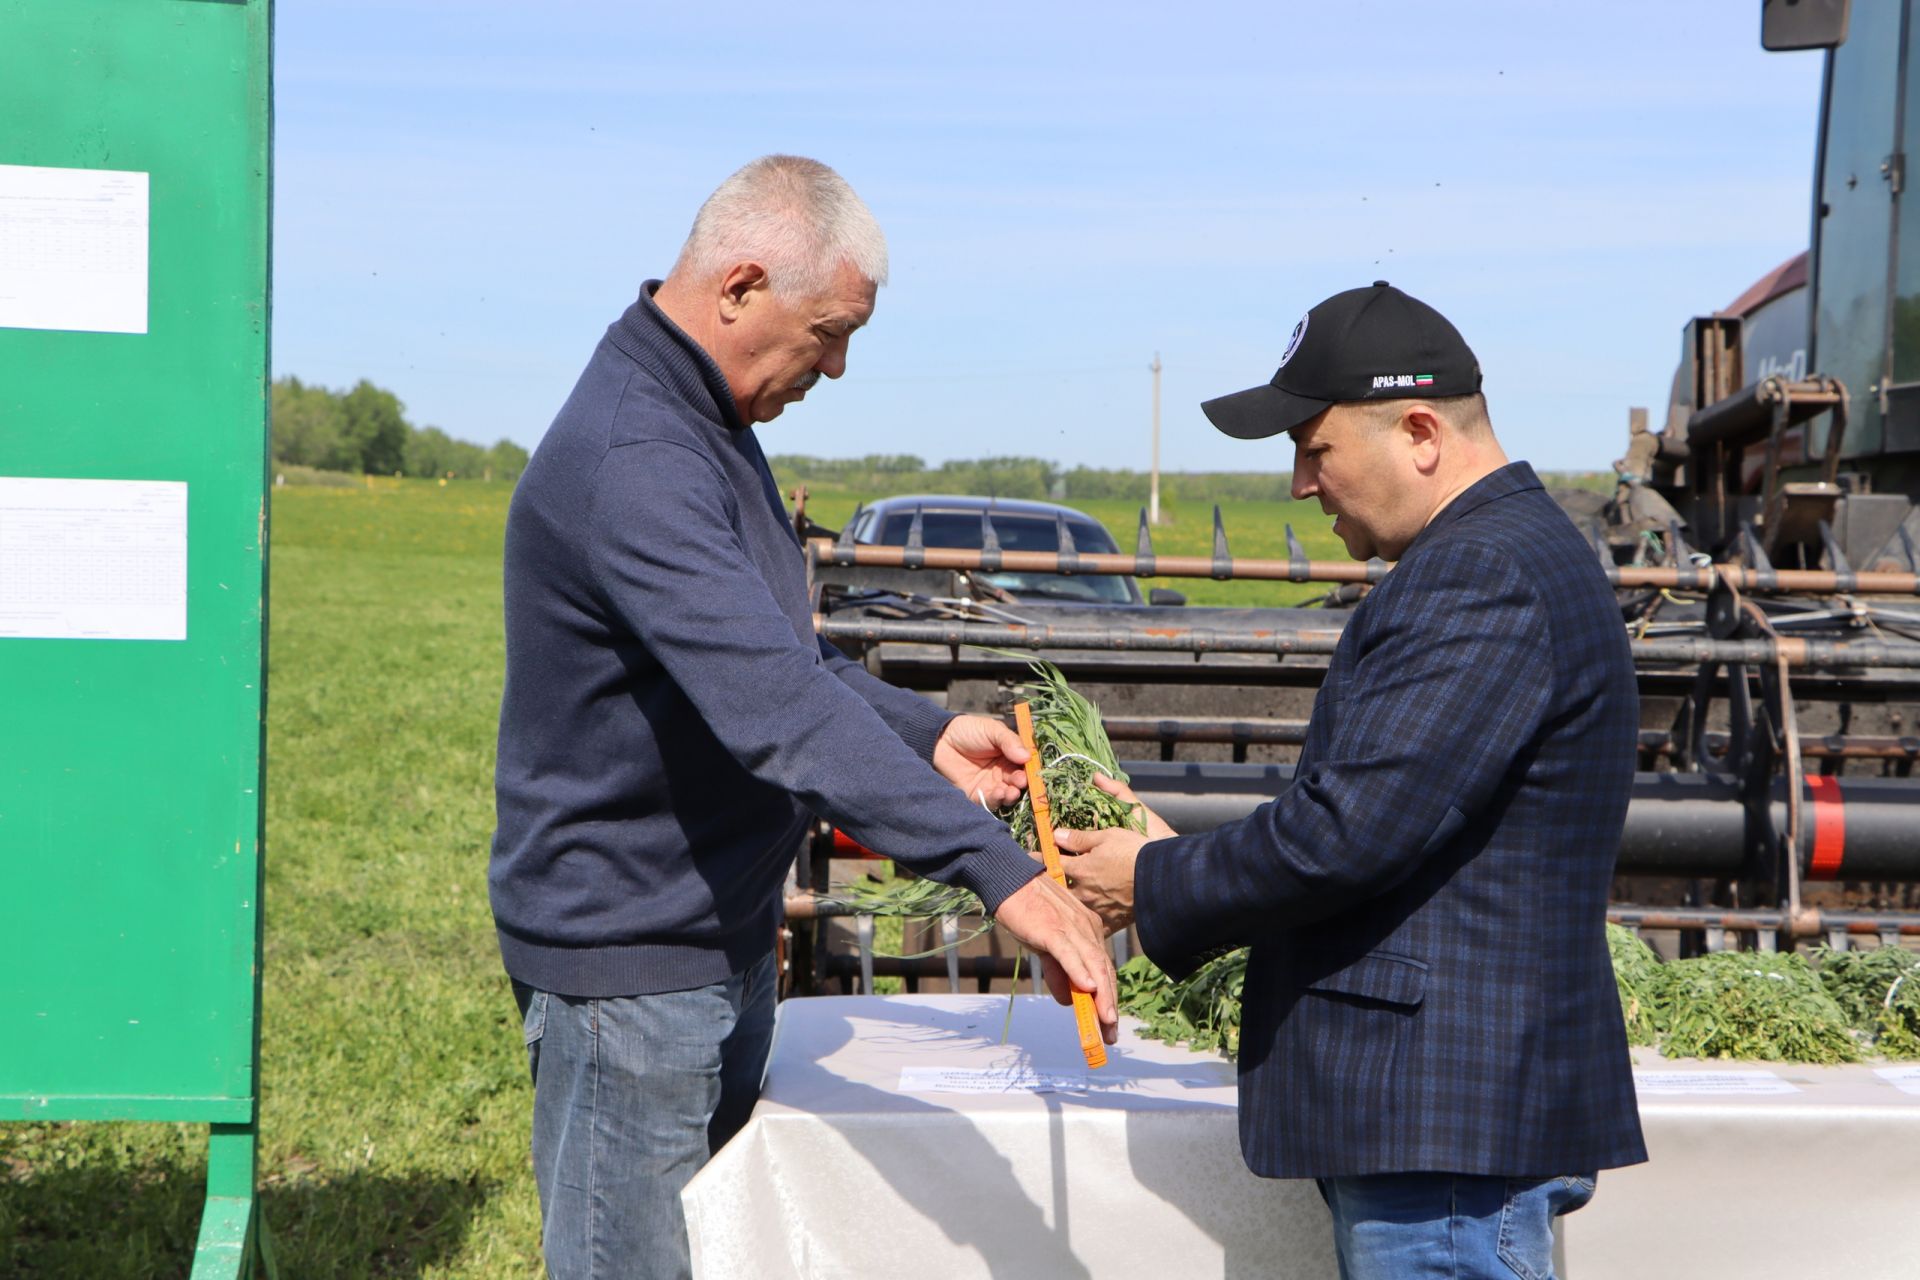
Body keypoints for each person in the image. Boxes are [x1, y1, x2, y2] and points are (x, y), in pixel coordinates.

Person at [489, 154, 1117, 1279]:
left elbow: (786, 653)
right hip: (630, 970)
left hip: (710, 938)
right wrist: (997, 867)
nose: (835, 367)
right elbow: (774, 706)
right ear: (738, 286)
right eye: (827, 333)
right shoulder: (638, 453)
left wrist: (922, 732)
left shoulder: (705, 418)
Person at [1056, 282, 1647, 1279]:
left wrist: (1150, 882)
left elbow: (1348, 833)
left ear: (1419, 430)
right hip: (1453, 1137)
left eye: (1313, 447)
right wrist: (1171, 853)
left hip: (1448, 1150)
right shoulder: (1505, 555)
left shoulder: (1483, 572)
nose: (1298, 482)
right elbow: (1397, 824)